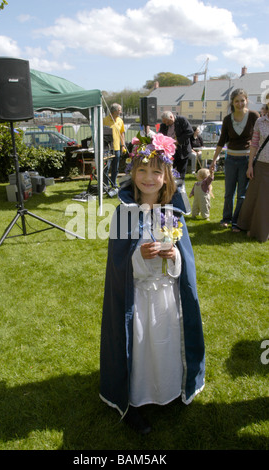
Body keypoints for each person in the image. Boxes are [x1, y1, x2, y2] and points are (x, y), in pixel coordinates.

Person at [100, 133, 205, 435]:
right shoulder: (123, 213)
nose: (149, 178)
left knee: (167, 345)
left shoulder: (175, 213)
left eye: (156, 171)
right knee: (141, 346)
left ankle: (168, 389)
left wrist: (173, 256)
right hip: (139, 300)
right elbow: (117, 265)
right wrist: (138, 257)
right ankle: (135, 400)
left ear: (166, 176)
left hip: (167, 298)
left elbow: (185, 266)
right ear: (133, 173)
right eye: (142, 170)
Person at [209, 89, 259, 232]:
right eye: (236, 101)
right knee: (229, 192)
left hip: (246, 160)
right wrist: (213, 161)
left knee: (242, 194)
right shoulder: (227, 119)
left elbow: (258, 139)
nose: (239, 103)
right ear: (232, 102)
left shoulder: (253, 116)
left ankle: (237, 222)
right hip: (230, 159)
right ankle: (226, 219)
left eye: (242, 100)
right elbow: (221, 141)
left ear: (246, 100)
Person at [237, 100, 269, 242]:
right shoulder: (260, 121)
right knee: (260, 199)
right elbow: (254, 144)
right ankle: (257, 230)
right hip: (262, 165)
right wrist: (250, 165)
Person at [159, 111, 193, 180]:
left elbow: (190, 132)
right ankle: (170, 187)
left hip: (182, 150)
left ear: (171, 117)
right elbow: (160, 135)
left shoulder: (182, 120)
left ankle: (180, 187)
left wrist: (178, 141)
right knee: (169, 170)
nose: (166, 124)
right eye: (165, 123)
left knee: (181, 172)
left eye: (167, 122)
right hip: (170, 151)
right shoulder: (163, 125)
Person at [103, 103, 126, 187]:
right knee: (106, 168)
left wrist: (123, 145)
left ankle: (114, 184)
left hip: (117, 148)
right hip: (107, 148)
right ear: (115, 111)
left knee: (115, 168)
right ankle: (105, 185)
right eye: (120, 110)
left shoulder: (120, 120)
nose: (121, 111)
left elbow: (122, 133)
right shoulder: (104, 120)